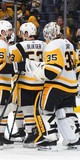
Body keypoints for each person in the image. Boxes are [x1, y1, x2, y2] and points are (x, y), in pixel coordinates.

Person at [27, 22, 80, 151]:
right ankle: (72, 139)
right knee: (64, 112)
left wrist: (37, 70)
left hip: (56, 85)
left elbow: (52, 71)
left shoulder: (53, 45)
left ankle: (48, 138)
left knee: (44, 110)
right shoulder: (69, 44)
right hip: (71, 84)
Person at [0, 20, 26, 149]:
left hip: (0, 81)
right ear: (2, 32)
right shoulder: (0, 43)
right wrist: (18, 66)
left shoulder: (1, 44)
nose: (11, 32)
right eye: (9, 30)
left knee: (3, 109)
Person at [8, 22, 46, 147]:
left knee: (27, 109)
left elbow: (12, 63)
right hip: (41, 82)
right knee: (38, 110)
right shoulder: (45, 45)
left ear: (25, 33)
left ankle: (31, 133)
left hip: (26, 83)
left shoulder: (18, 46)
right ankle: (40, 132)